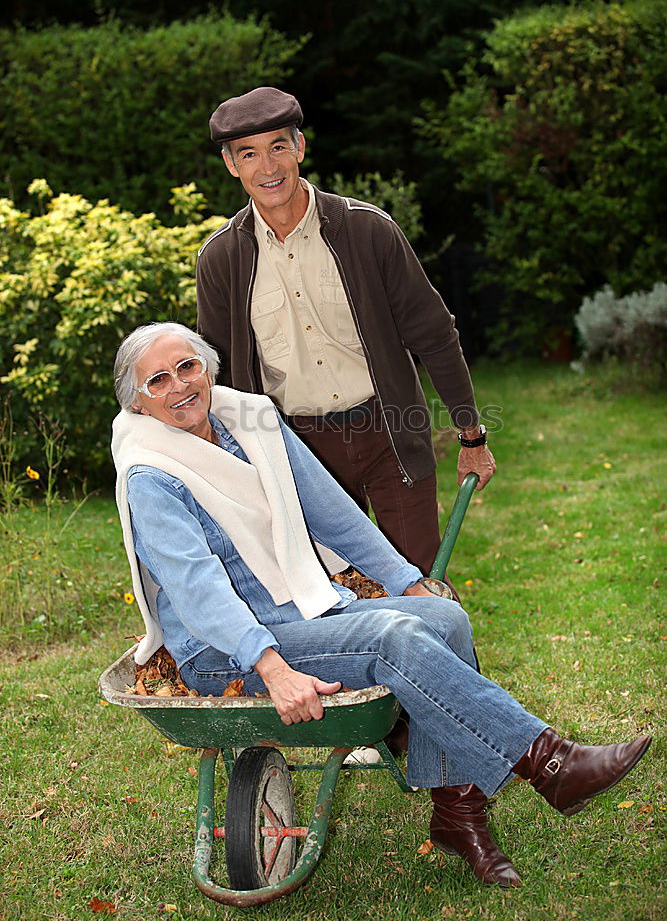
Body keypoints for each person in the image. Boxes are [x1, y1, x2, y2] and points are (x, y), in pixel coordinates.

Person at [111, 321, 651, 891]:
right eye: (157, 381)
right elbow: (198, 590)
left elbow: (330, 509)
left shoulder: (249, 421)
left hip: (302, 609)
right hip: (228, 650)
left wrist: (405, 579)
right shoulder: (152, 475)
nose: (179, 386)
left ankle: (457, 815)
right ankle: (551, 764)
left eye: (187, 367)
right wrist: (271, 668)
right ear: (139, 404)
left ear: (208, 367)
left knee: (443, 618)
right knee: (393, 638)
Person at [196, 86, 496, 577]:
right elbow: (220, 380)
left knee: (420, 582)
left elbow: (435, 334)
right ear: (231, 165)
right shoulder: (220, 260)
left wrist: (472, 437)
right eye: (248, 154)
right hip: (298, 452)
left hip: (389, 430)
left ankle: (451, 657)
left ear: (300, 147)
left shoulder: (367, 230)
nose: (267, 167)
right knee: (340, 596)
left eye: (278, 146)